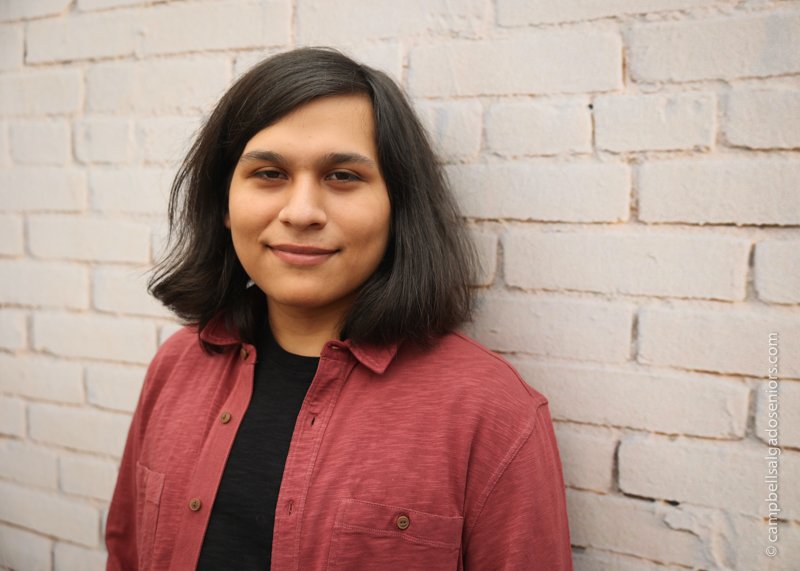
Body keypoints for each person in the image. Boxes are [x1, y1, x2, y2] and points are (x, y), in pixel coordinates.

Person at [105, 47, 573, 570]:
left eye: (343, 176)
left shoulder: (488, 411)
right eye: (269, 173)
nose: (301, 212)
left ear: (399, 206)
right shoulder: (176, 366)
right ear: (223, 206)